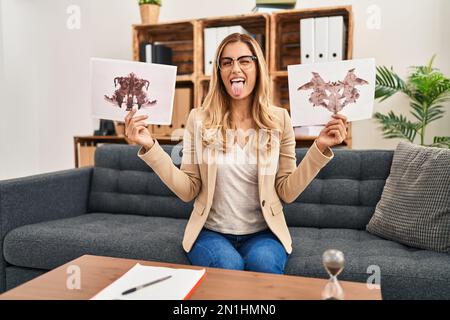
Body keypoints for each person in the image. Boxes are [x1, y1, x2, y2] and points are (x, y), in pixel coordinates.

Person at [124, 33, 348, 274]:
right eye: (227, 62)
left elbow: (287, 190)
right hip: (211, 233)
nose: (235, 69)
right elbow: (188, 189)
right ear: (219, 71)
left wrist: (320, 148)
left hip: (264, 233)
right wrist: (150, 147)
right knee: (228, 267)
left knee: (263, 265)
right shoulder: (198, 119)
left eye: (244, 61)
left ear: (257, 67)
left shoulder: (279, 119)